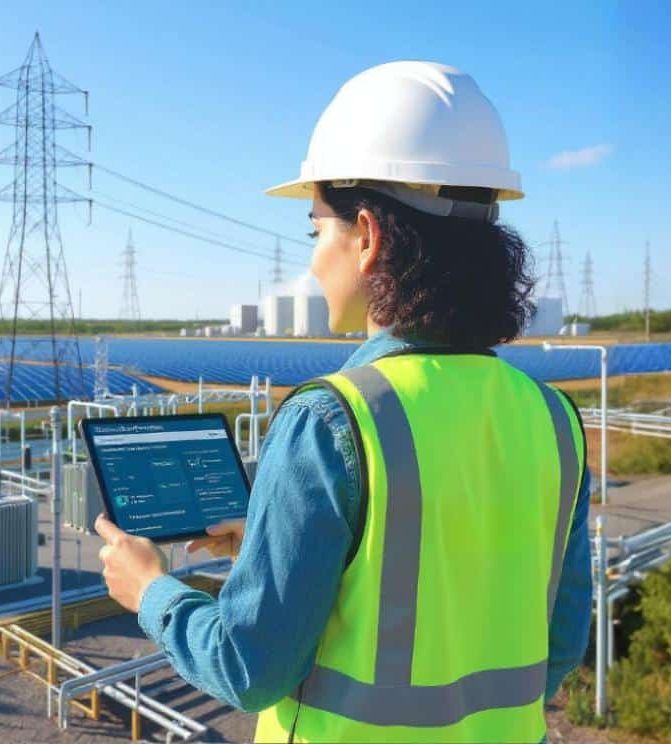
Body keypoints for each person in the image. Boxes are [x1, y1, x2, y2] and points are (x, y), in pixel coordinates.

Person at [95, 61, 592, 743]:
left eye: (315, 229)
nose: (313, 260)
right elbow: (557, 644)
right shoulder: (553, 419)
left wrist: (151, 590)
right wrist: (277, 545)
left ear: (367, 235)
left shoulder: (333, 419)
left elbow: (251, 667)